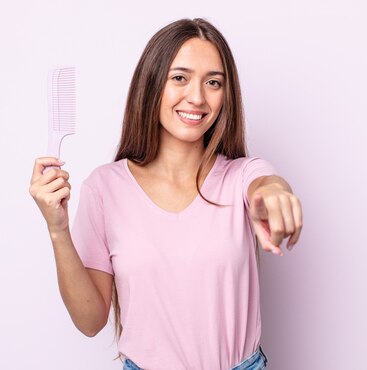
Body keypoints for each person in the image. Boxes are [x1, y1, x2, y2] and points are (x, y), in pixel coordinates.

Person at [29, 18, 302, 370]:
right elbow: (90, 320)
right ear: (152, 83)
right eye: (180, 78)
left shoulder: (241, 176)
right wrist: (57, 230)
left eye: (213, 82)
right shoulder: (105, 189)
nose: (197, 97)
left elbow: (266, 184)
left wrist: (275, 193)